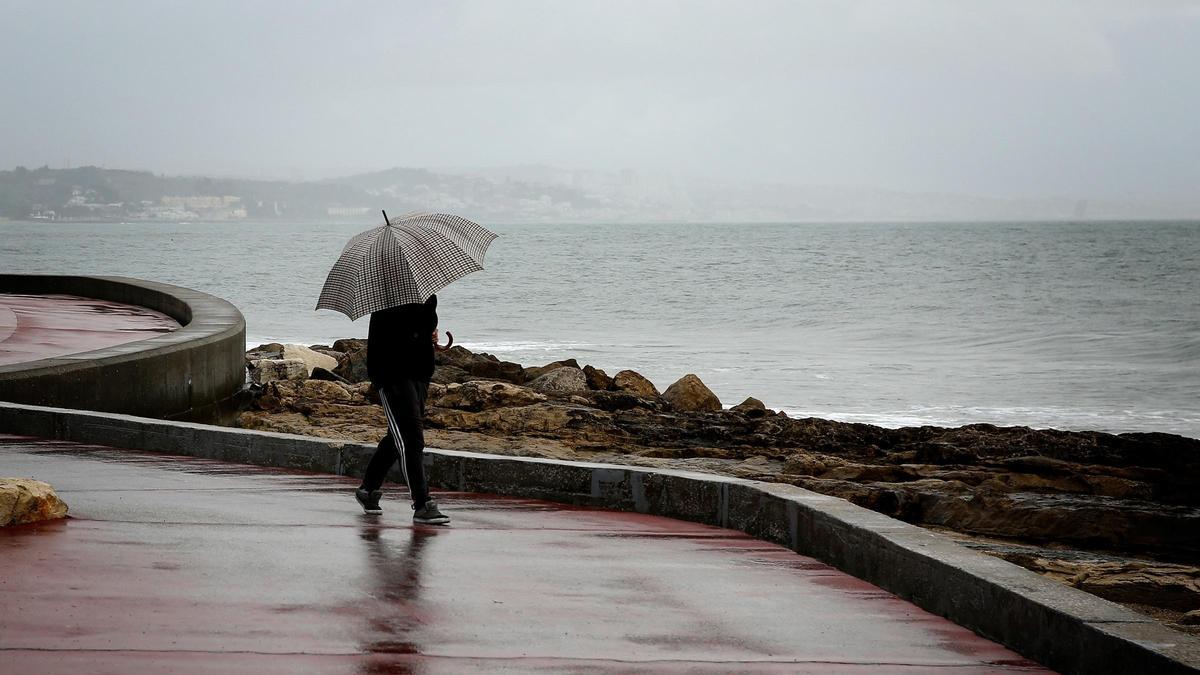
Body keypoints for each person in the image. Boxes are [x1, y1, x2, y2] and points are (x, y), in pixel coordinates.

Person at [355, 294, 450, 525]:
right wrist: (415, 335)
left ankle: (368, 489)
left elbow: (424, 326)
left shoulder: (426, 294)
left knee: (396, 436)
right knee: (411, 439)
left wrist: (432, 334)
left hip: (420, 372)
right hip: (392, 375)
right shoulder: (384, 298)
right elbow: (387, 339)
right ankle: (422, 503)